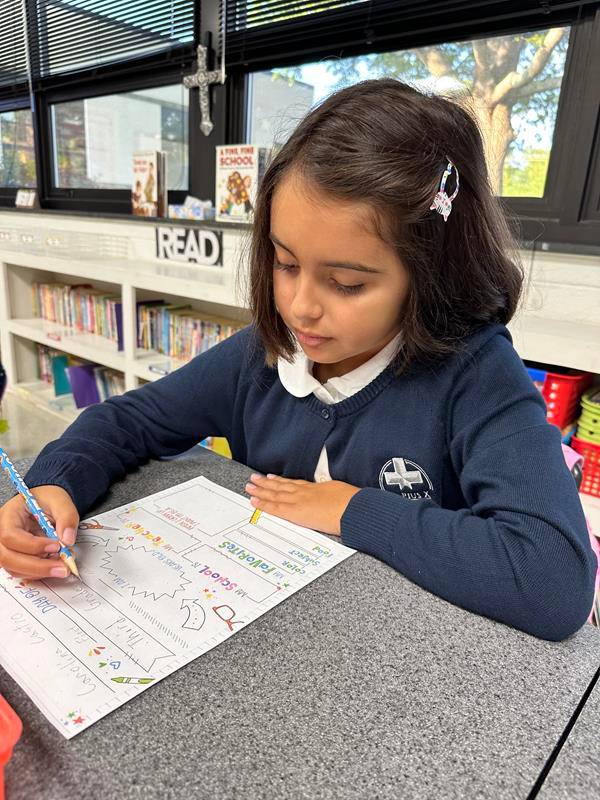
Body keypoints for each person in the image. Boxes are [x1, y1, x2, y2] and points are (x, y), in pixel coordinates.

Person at [0, 79, 595, 641]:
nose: (300, 307)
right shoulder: (262, 354)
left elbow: (554, 578)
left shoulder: (477, 373)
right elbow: (129, 419)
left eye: (346, 283)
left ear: (429, 275)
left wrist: (351, 508)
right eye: (285, 264)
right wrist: (56, 482)